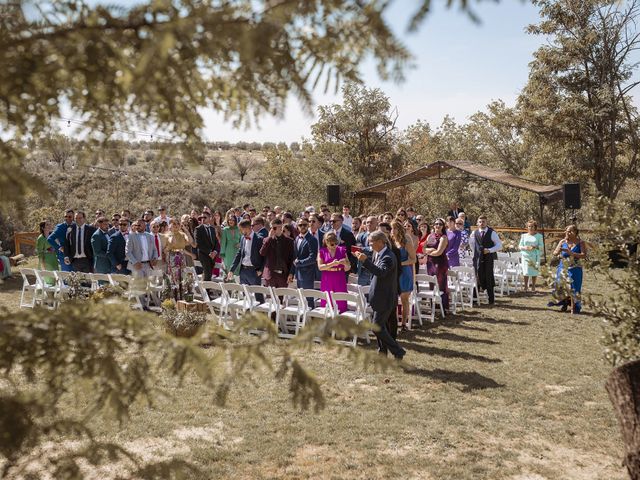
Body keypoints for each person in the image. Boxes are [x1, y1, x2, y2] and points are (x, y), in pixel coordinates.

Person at [355, 231, 406, 360]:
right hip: (379, 297)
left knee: (377, 326)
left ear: (380, 241)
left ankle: (398, 351)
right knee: (380, 327)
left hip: (385, 297)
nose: (369, 244)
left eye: (371, 242)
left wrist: (365, 261)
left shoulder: (388, 257)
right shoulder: (378, 254)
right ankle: (382, 352)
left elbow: (381, 273)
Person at [550, 225, 586, 313]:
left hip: (575, 268)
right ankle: (565, 304)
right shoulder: (562, 241)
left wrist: (571, 253)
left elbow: (583, 255)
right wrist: (558, 253)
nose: (568, 233)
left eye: (570, 231)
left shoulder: (581, 243)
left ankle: (574, 307)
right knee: (562, 287)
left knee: (574, 287)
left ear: (576, 233)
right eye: (567, 231)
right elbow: (555, 252)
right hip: (563, 267)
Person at [228, 219, 265, 300]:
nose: (240, 232)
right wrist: (232, 269)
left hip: (254, 271)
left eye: (241, 230)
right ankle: (248, 311)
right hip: (243, 271)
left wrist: (261, 270)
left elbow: (265, 257)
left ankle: (261, 312)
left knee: (258, 295)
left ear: (247, 228)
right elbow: (239, 254)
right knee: (245, 295)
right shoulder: (242, 238)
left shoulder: (259, 239)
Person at [469, 215, 502, 305]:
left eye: (483, 221)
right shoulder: (474, 233)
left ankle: (491, 299)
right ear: (477, 223)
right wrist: (476, 252)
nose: (481, 223)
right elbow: (471, 243)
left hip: (488, 258)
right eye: (480, 222)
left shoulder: (492, 233)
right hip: (477, 259)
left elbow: (499, 245)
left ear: (486, 222)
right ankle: (475, 300)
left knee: (488, 276)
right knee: (477, 276)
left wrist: (490, 250)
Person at [391, 220, 416, 331]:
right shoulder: (391, 241)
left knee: (404, 299)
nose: (392, 231)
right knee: (394, 300)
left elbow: (413, 259)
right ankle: (395, 323)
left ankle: (404, 324)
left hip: (405, 272)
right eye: (391, 228)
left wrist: (400, 264)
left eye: (394, 228)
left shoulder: (406, 240)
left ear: (399, 229)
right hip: (394, 273)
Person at [317, 232, 350, 313]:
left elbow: (348, 268)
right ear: (326, 242)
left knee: (340, 302)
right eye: (332, 244)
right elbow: (320, 267)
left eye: (336, 243)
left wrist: (345, 263)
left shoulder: (342, 250)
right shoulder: (322, 251)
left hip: (339, 278)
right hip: (327, 278)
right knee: (328, 303)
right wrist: (332, 264)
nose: (334, 246)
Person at [164, 218, 197, 298]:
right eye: (174, 224)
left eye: (177, 224)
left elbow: (190, 241)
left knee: (182, 276)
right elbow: (168, 246)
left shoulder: (182, 234)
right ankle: (173, 297)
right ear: (170, 225)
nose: (176, 225)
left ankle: (182, 296)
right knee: (174, 277)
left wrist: (186, 230)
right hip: (172, 256)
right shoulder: (167, 234)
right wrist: (172, 233)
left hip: (181, 256)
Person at [290, 218, 319, 307]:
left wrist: (299, 263)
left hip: (308, 273)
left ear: (308, 225)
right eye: (300, 225)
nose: (302, 227)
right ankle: (303, 317)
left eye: (305, 225)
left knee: (308, 297)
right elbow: (294, 257)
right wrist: (291, 272)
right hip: (298, 273)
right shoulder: (296, 239)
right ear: (297, 227)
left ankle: (310, 319)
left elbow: (313, 258)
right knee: (301, 297)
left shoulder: (312, 239)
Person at [424, 218, 450, 312]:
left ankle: (444, 307)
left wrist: (429, 251)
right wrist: (430, 251)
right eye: (436, 224)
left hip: (440, 263)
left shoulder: (444, 237)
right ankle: (433, 307)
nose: (437, 226)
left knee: (441, 284)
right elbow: (423, 249)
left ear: (443, 227)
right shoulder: (430, 236)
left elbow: (439, 252)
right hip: (430, 263)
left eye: (440, 224)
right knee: (431, 284)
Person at [259, 219, 294, 289]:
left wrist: (291, 273)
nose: (272, 230)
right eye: (271, 228)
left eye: (274, 228)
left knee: (282, 298)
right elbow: (262, 253)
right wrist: (269, 238)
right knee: (270, 298)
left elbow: (292, 259)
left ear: (280, 227)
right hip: (270, 275)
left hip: (283, 275)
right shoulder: (267, 240)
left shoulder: (289, 241)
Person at [519, 219, 544, 292]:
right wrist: (525, 247)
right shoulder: (523, 236)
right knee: (526, 271)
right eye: (529, 226)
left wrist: (535, 247)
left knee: (534, 271)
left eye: (532, 226)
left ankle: (533, 286)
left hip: (535, 256)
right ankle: (526, 286)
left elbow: (541, 246)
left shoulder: (539, 236)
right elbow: (520, 246)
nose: (530, 228)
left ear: (535, 227)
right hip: (526, 255)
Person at [195, 212, 220, 282]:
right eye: (201, 218)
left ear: (210, 218)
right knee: (207, 274)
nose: (202, 219)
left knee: (209, 274)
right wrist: (210, 252)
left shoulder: (212, 229)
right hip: (203, 255)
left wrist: (215, 252)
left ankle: (206, 289)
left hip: (213, 256)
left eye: (205, 217)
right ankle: (207, 292)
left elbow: (216, 242)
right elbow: (199, 244)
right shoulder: (198, 229)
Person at [330, 213, 357, 277]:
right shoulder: (328, 234)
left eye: (334, 221)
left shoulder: (348, 234)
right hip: (331, 267)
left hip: (344, 268)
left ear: (341, 221)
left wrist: (349, 266)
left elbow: (352, 252)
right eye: (330, 221)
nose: (331, 223)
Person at [356, 216, 378, 286]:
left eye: (371, 222)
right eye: (367, 222)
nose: (369, 224)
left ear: (376, 224)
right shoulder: (360, 236)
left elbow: (373, 249)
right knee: (361, 293)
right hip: (362, 270)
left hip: (374, 268)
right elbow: (358, 248)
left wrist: (363, 249)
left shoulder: (379, 236)